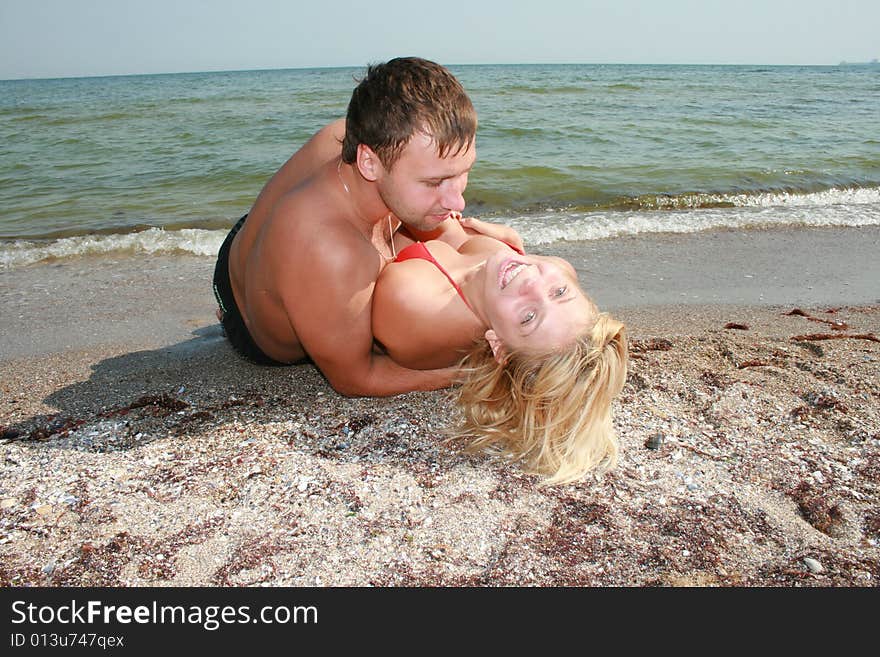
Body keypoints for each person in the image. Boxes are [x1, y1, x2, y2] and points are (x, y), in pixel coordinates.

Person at [213, 57, 477, 396]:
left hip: (257, 240)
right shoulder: (334, 252)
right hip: (248, 318)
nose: (459, 202)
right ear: (368, 162)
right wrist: (467, 373)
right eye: (434, 182)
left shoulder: (358, 133)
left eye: (462, 172)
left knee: (456, 239)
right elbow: (355, 378)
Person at [372, 216, 629, 485]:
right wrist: (510, 240)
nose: (532, 281)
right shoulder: (555, 270)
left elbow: (374, 225)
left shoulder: (415, 307)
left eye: (529, 317)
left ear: (498, 346)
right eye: (560, 292)